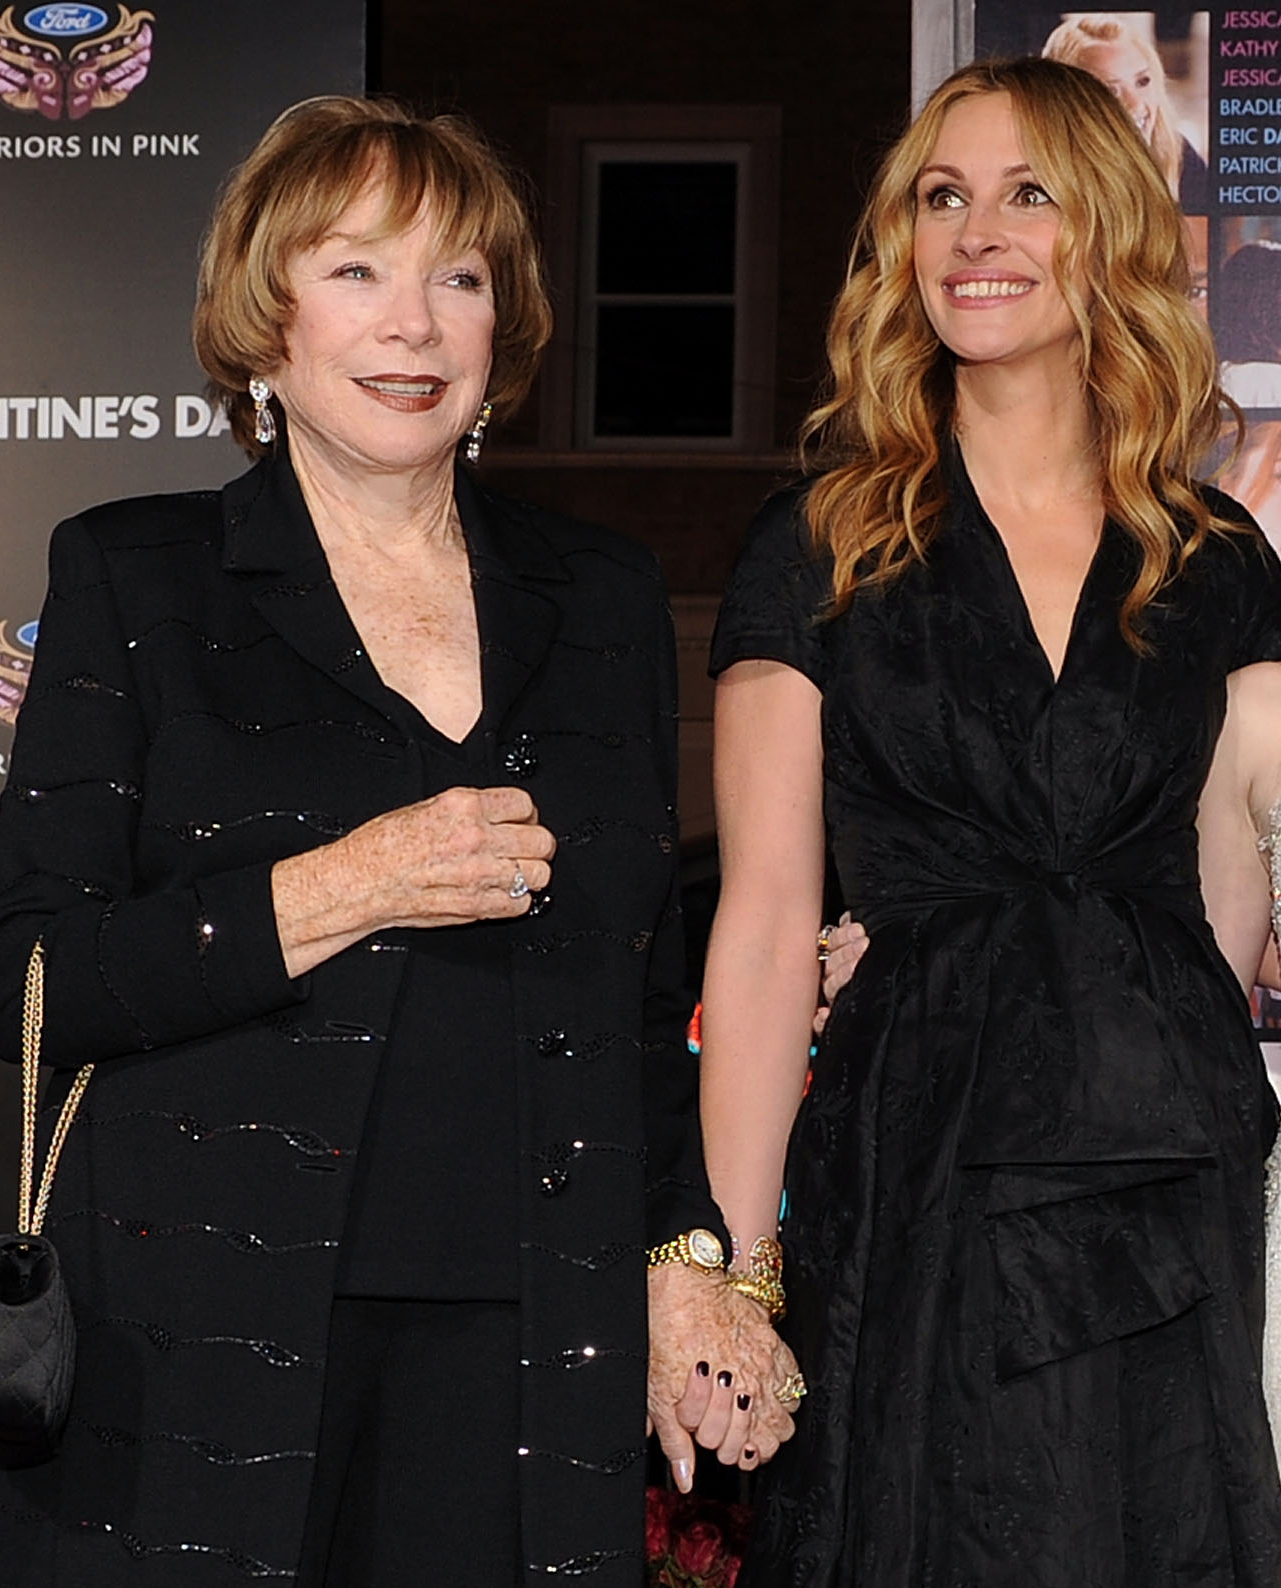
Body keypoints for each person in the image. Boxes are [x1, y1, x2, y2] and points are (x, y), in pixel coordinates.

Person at [0, 96, 793, 1588]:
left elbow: (636, 1006)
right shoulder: (138, 572)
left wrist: (685, 1270)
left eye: (462, 276)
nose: (415, 323)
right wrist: (337, 889)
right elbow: (30, 975)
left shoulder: (604, 598)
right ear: (265, 325)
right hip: (196, 1348)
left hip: (525, 1344)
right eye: (357, 270)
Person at [700, 56, 1281, 1586]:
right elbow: (762, 924)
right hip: (917, 1145)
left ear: (1107, 238)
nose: (976, 232)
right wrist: (735, 1268)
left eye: (1027, 194)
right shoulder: (816, 543)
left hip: (1162, 1152)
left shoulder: (1211, 556)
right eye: (941, 197)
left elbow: (1220, 906)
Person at [1043, 13, 1209, 212]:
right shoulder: (1043, 178)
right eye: (1111, 91)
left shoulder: (1180, 157)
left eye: (1142, 81)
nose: (1136, 104)